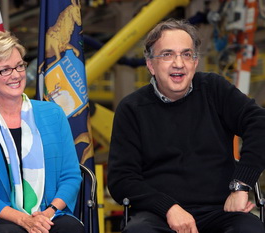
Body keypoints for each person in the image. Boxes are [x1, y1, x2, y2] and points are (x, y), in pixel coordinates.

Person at [107, 18, 265, 233]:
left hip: (220, 210)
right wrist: (169, 208)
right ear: (151, 65)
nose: (179, 63)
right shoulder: (132, 109)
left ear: (195, 62)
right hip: (157, 216)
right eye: (167, 54)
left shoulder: (214, 90)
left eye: (186, 54)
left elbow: (260, 124)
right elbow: (121, 180)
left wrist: (241, 185)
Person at [0, 30, 85, 233]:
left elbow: (70, 176)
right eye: (5, 70)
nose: (16, 75)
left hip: (50, 214)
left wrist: (48, 213)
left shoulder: (53, 114)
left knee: (70, 229)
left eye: (19, 66)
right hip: (0, 217)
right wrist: (22, 219)